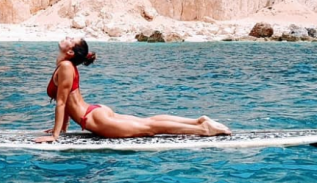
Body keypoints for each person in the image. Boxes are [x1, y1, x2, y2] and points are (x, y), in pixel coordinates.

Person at [35, 37, 231, 143]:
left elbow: (62, 102)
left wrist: (54, 137)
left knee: (149, 129)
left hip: (94, 119)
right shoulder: (65, 66)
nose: (67, 37)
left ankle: (203, 129)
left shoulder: (66, 67)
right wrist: (61, 127)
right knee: (148, 122)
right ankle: (198, 120)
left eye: (71, 39)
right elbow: (67, 99)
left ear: (70, 52)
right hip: (95, 112)